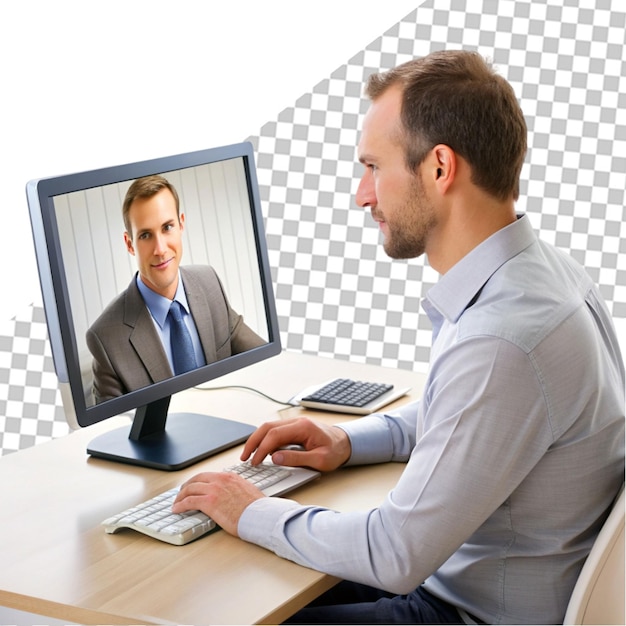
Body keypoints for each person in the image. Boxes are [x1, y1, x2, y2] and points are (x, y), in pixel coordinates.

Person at [172, 50, 625, 624]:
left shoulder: (502, 340)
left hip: (465, 612)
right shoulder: (543, 276)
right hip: (473, 588)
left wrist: (250, 509)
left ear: (439, 168)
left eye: (373, 167)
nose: (363, 195)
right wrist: (347, 442)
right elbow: (468, 418)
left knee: (219, 610)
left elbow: (392, 553)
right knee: (238, 582)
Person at [86, 175, 265, 403]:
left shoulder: (209, 284)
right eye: (145, 235)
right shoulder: (106, 337)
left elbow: (264, 358)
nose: (160, 249)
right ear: (130, 244)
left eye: (167, 227)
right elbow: (109, 433)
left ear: (181, 224)